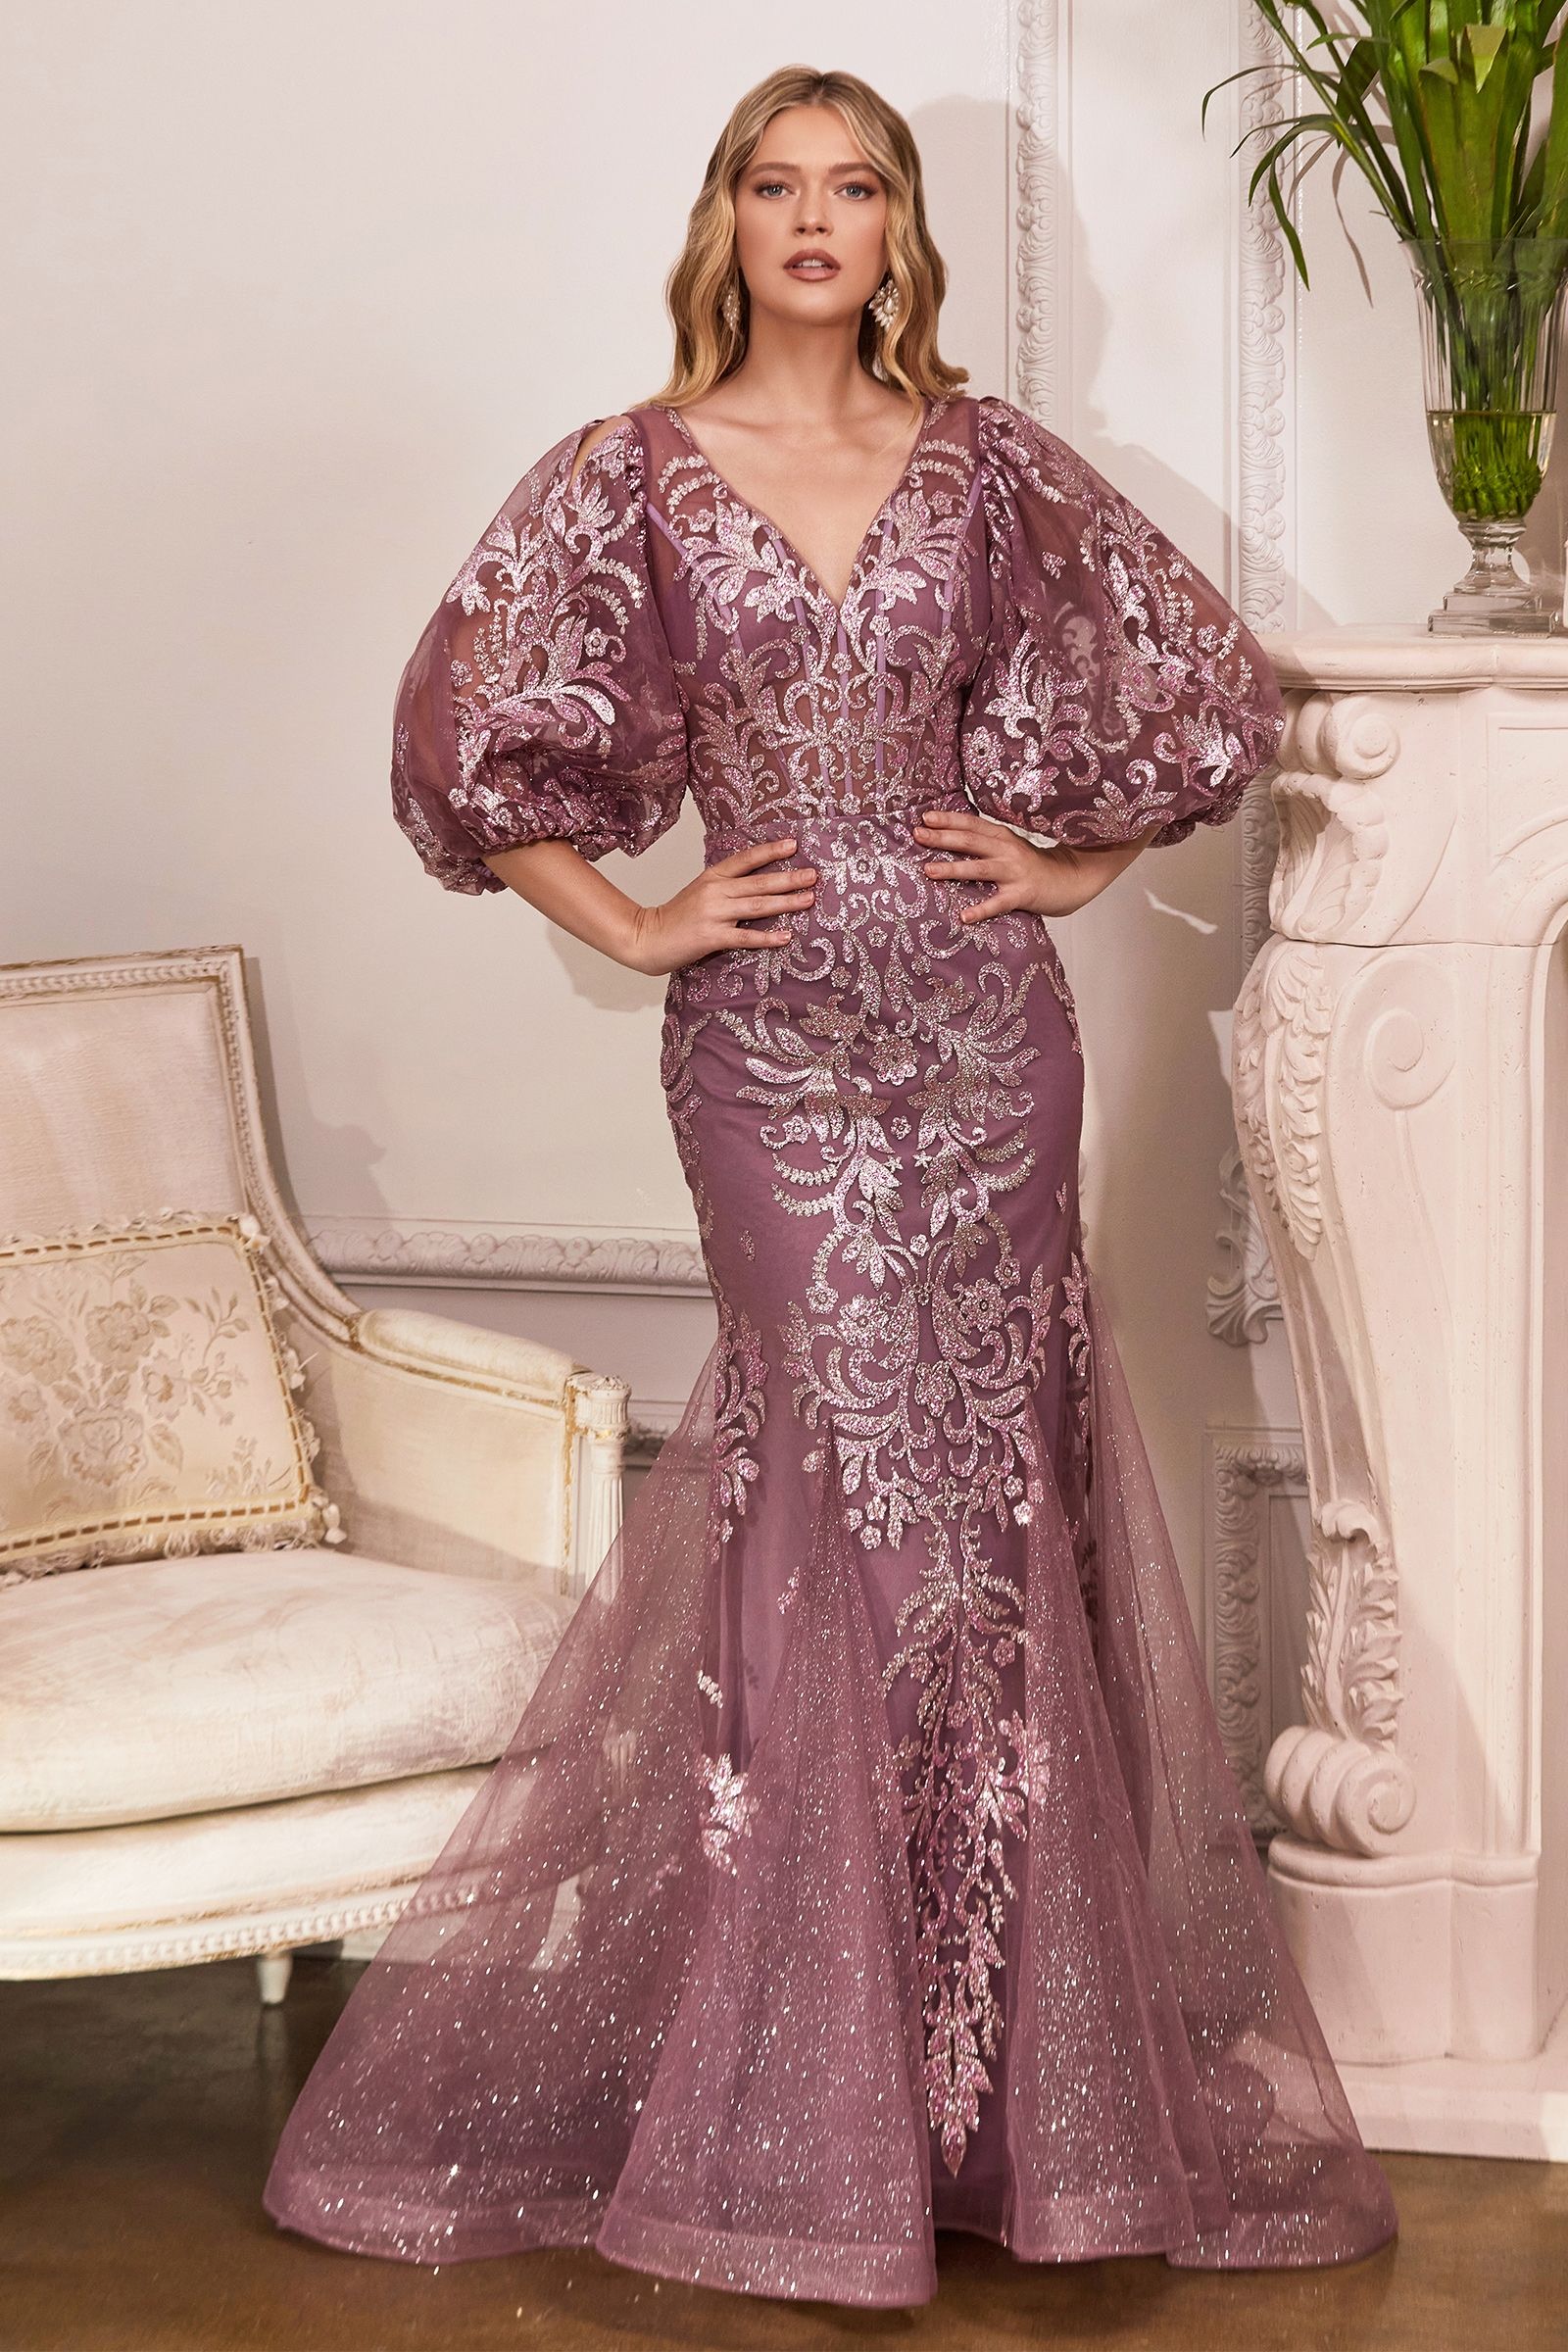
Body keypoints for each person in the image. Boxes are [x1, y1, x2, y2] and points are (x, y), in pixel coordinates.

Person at [264, 62, 1397, 2306]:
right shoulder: (622, 473)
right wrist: (639, 922)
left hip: (985, 1040)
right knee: (822, 1491)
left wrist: (1063, 861)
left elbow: (1197, 684)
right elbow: (464, 742)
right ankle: (799, 2096)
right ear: (725, 223)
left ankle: (1006, 2112)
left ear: (894, 231)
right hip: (764, 1049)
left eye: (851, 186)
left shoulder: (983, 466)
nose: (811, 220)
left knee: (984, 1506)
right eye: (773, 186)